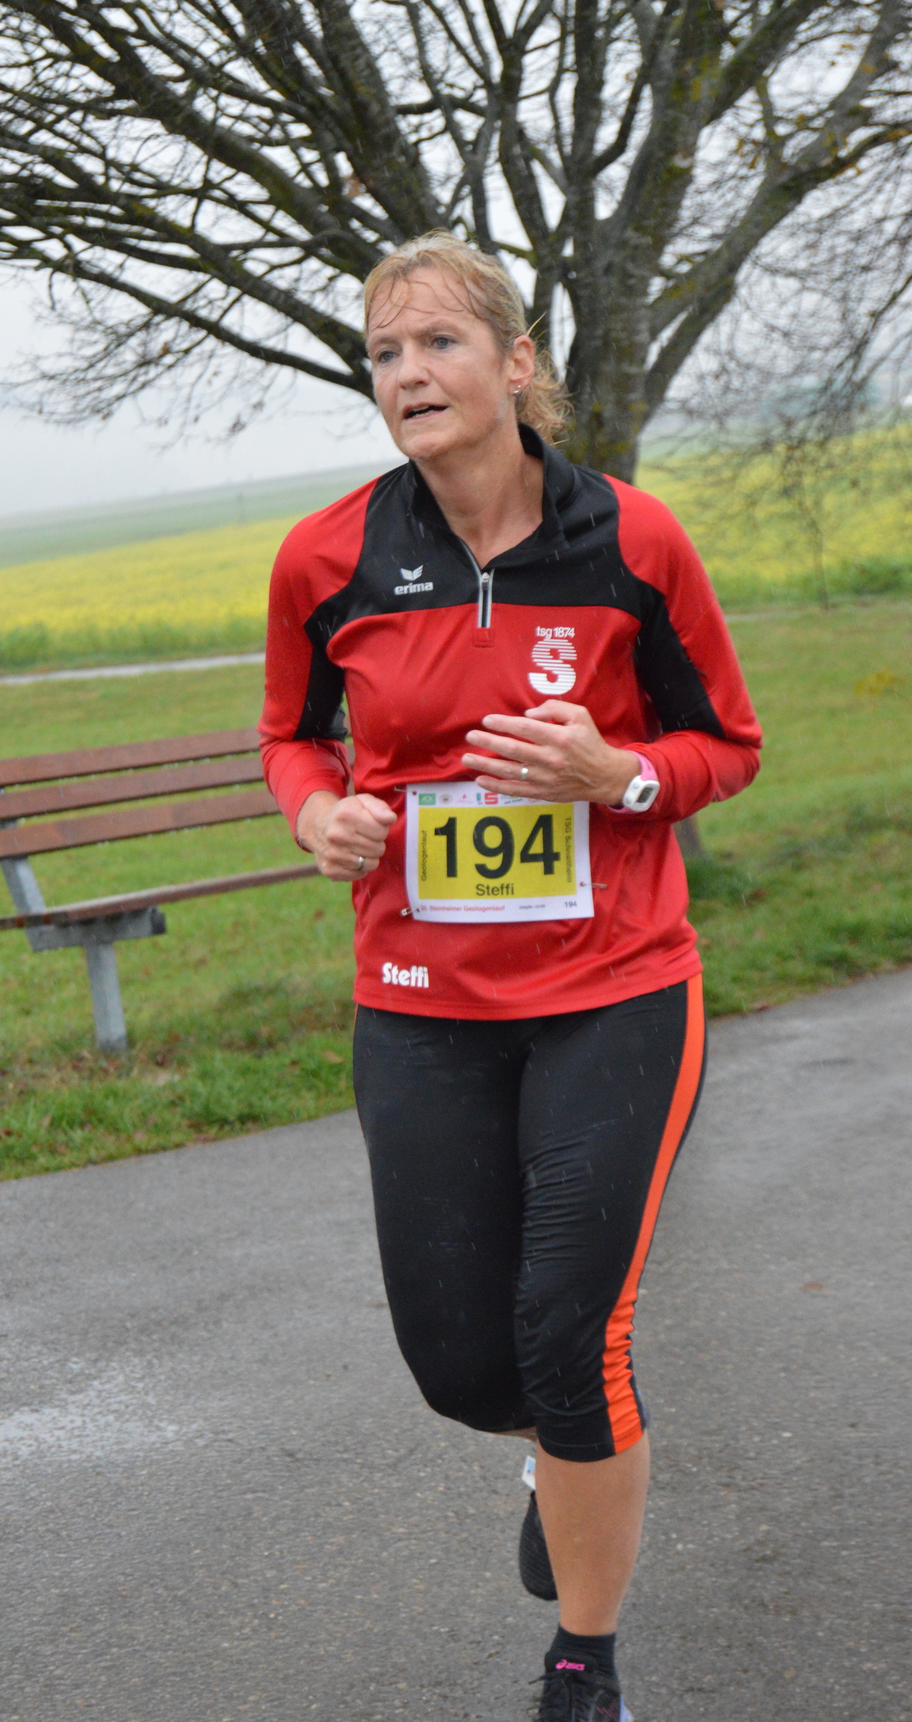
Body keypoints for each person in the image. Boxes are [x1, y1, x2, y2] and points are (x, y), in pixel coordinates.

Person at [259, 231, 761, 1722]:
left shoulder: (633, 543)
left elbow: (725, 745)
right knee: (464, 1369)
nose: (407, 374)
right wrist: (316, 813)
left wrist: (617, 776)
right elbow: (292, 736)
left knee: (569, 1337)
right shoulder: (327, 558)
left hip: (614, 989)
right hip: (420, 1004)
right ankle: (558, 1455)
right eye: (384, 353)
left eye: (438, 343)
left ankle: (582, 1663)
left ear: (515, 362)